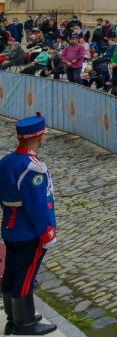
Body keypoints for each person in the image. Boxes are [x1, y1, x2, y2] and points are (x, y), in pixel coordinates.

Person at [0, 115, 57, 335]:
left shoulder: (6, 161)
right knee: (26, 276)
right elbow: (37, 205)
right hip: (28, 231)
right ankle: (25, 324)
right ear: (39, 137)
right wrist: (47, 233)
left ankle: (13, 317)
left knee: (13, 272)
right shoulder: (33, 168)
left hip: (10, 227)